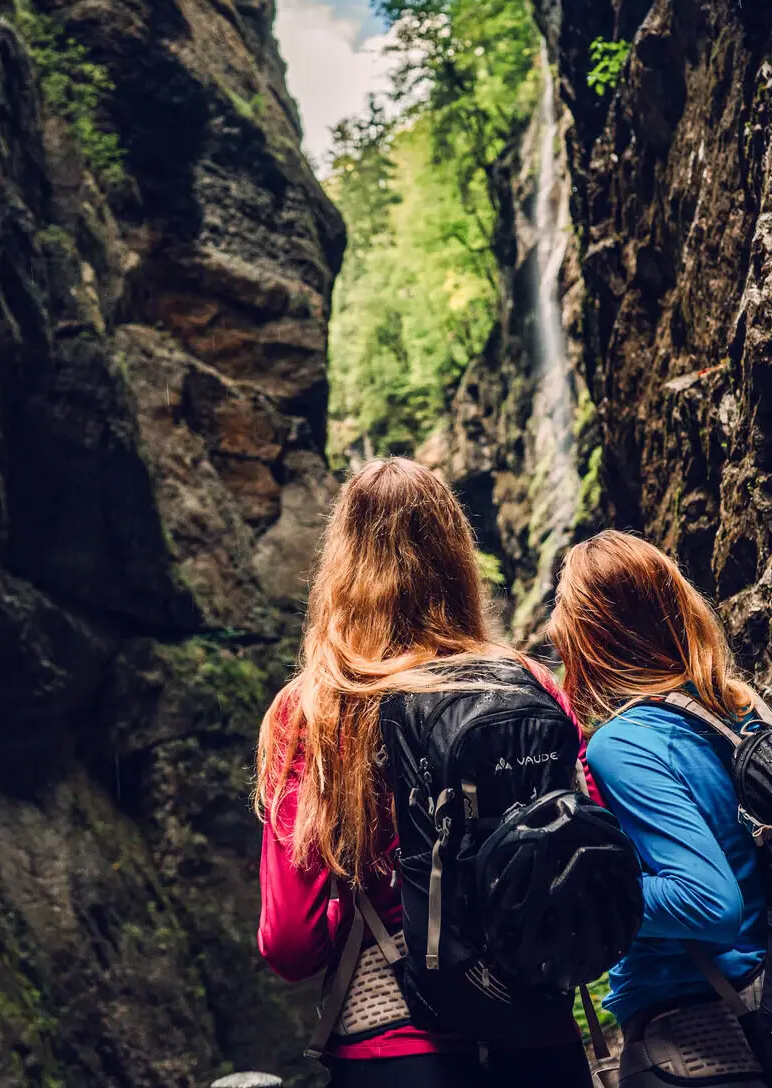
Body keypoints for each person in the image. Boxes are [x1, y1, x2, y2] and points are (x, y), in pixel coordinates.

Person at [253, 458, 593, 1088]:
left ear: (342, 566)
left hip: (397, 1046)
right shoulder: (529, 682)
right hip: (539, 1036)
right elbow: (584, 845)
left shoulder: (314, 710)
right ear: (457, 558)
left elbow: (289, 943)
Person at [548, 531, 768, 1088]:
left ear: (594, 638)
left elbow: (708, 904)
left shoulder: (622, 744)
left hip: (691, 1041)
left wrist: (585, 896)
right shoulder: (742, 712)